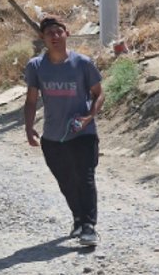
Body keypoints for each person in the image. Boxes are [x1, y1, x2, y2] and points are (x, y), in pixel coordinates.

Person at [24, 15, 105, 247]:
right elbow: (31, 100)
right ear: (42, 38)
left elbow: (99, 93)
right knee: (66, 181)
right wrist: (29, 127)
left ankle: (89, 227)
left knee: (85, 178)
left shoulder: (83, 63)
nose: (55, 36)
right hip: (53, 136)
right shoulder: (36, 67)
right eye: (49, 33)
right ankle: (78, 218)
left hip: (82, 133)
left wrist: (89, 117)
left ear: (67, 34)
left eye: (59, 32)